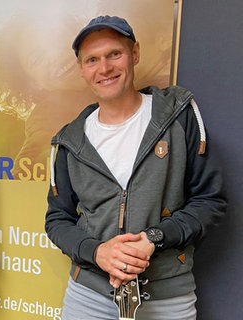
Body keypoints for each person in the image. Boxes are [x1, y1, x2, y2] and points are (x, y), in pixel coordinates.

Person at [44, 15, 227, 320]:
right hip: (89, 296)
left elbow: (210, 201)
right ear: (81, 69)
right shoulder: (69, 141)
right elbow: (57, 220)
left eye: (114, 54)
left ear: (135, 53)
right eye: (92, 59)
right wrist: (97, 252)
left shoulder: (179, 117)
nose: (104, 68)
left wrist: (153, 238)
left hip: (167, 296)